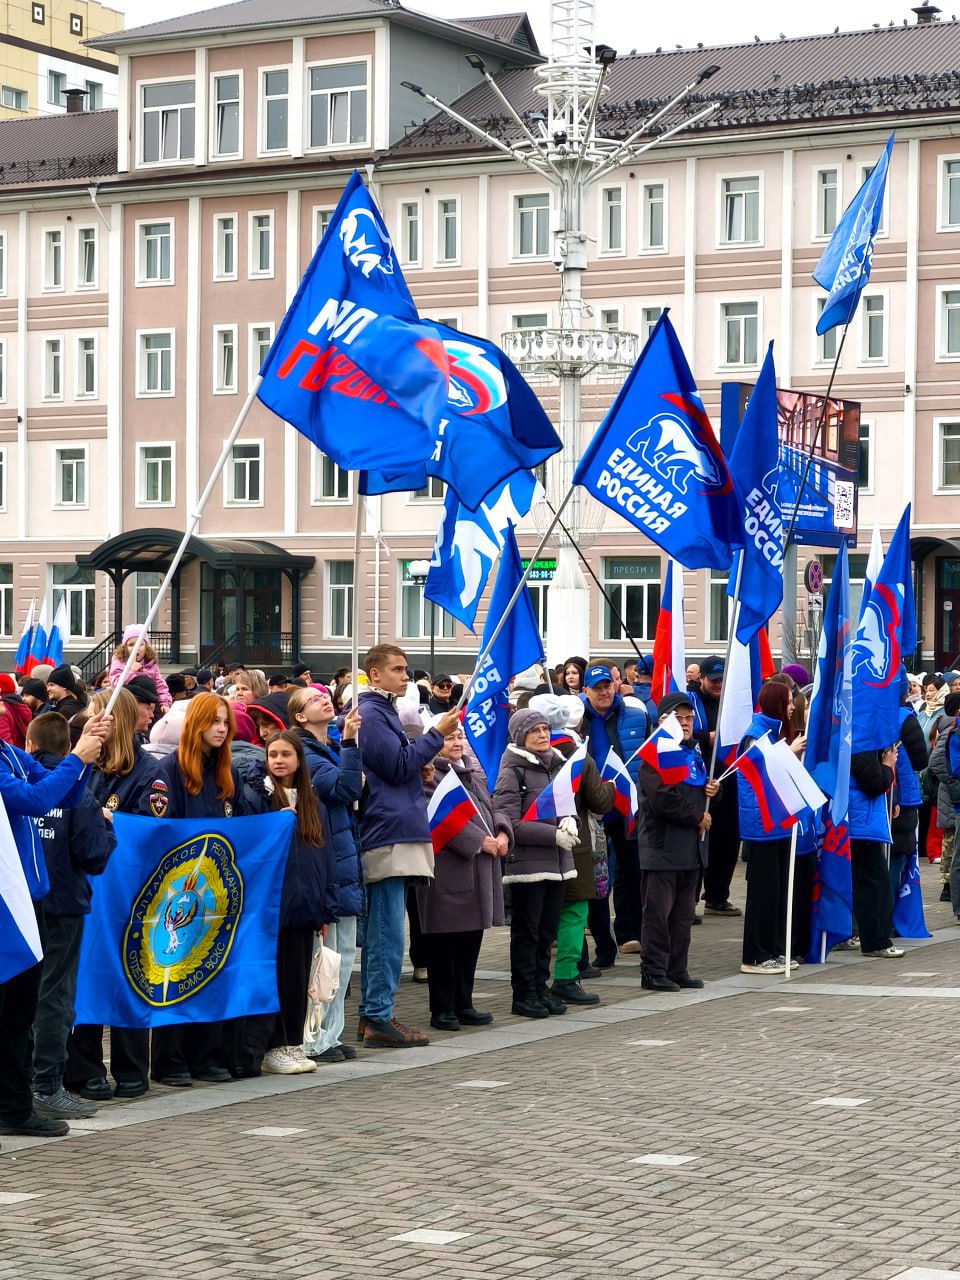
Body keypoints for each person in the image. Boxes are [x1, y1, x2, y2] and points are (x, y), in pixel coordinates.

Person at [0, 705, 109, 1139]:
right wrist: (78, 757)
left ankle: (13, 1103)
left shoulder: (9, 753)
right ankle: (13, 1104)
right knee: (11, 1011)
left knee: (20, 1011)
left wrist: (82, 751)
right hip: (7, 905)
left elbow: (58, 793)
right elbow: (31, 800)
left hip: (29, 901)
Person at [140, 693, 256, 1085]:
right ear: (196, 726)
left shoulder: (230, 775)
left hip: (216, 893)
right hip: (177, 893)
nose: (222, 729)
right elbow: (159, 830)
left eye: (226, 722)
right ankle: (170, 1060)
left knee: (212, 970)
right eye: (214, 722)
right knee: (173, 970)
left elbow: (240, 827)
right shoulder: (169, 770)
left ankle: (206, 1055)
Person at [356, 644, 458, 1048]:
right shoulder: (371, 714)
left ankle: (375, 1014)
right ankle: (378, 1015)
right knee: (386, 932)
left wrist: (421, 760)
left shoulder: (385, 712)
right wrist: (436, 736)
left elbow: (398, 765)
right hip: (387, 830)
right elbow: (396, 766)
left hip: (398, 826)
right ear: (374, 674)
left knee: (389, 930)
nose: (405, 676)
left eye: (405, 669)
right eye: (396, 669)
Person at [65, 688, 159, 1103]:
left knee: (127, 973)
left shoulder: (149, 771)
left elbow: (152, 833)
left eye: (98, 713)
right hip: (84, 889)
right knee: (82, 977)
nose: (90, 720)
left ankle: (131, 1068)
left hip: (127, 894)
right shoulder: (83, 765)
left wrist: (109, 819)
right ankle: (83, 1069)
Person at [29, 712, 115, 1121]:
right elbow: (94, 857)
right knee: (55, 998)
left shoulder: (21, 785)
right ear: (69, 749)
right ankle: (45, 1084)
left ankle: (22, 1080)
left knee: (20, 996)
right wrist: (107, 829)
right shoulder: (78, 795)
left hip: (23, 907)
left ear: (29, 745)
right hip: (63, 908)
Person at [239, 730, 337, 1075]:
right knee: (276, 975)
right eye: (273, 755)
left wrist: (324, 906)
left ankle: (293, 1042)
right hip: (273, 905)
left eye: (286, 755)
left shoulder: (313, 800)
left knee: (297, 977)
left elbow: (323, 856)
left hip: (305, 904)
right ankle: (274, 1044)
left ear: (299, 760)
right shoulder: (258, 797)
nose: (279, 761)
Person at [417, 718, 508, 1030]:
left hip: (479, 869)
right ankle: (442, 1008)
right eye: (448, 738)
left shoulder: (471, 773)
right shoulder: (429, 775)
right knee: (445, 942)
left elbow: (493, 806)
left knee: (470, 937)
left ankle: (463, 1002)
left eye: (459, 737)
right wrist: (478, 841)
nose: (456, 743)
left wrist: (501, 831)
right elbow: (437, 818)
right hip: (447, 871)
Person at [290, 685, 363, 1064]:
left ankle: (330, 1035)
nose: (323, 699)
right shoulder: (307, 753)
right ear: (300, 716)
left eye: (323, 696)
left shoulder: (327, 749)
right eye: (312, 699)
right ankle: (314, 1037)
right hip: (328, 866)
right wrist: (351, 745)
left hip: (343, 860)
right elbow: (343, 788)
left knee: (342, 958)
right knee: (326, 958)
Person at [493, 708, 580, 1019]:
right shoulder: (511, 772)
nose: (543, 735)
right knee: (527, 933)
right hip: (527, 866)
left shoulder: (556, 765)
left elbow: (564, 803)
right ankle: (524, 993)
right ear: (520, 737)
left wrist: (570, 820)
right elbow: (509, 823)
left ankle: (541, 989)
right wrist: (553, 835)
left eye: (545, 729)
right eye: (535, 731)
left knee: (546, 932)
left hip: (557, 863)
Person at [637, 691, 718, 991]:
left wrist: (707, 792)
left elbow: (690, 792)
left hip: (690, 849)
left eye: (688, 717)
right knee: (659, 914)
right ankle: (654, 970)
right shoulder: (654, 753)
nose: (685, 723)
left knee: (683, 916)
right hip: (663, 847)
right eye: (679, 717)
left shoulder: (692, 752)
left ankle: (677, 968)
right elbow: (661, 799)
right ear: (663, 720)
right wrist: (696, 817)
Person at [578, 664, 649, 957]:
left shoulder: (637, 714)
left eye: (607, 685)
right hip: (592, 810)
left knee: (632, 872)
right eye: (597, 688)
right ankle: (603, 944)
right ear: (585, 692)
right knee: (595, 879)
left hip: (626, 806)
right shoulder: (576, 719)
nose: (604, 692)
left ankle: (629, 933)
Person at [738, 682, 806, 975]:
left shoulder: (775, 731)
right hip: (762, 826)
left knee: (778, 892)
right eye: (789, 701)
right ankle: (755, 955)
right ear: (777, 703)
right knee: (763, 895)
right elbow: (759, 777)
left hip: (779, 823)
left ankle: (775, 949)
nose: (792, 707)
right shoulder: (755, 735)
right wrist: (788, 753)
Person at [848, 736, 903, 959]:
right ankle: (876, 941)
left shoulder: (860, 742)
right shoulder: (861, 745)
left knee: (870, 881)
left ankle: (874, 939)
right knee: (874, 882)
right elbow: (874, 784)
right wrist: (888, 766)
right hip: (861, 822)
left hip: (861, 821)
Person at [696, 655, 742, 918]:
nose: (718, 684)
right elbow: (680, 731)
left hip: (730, 776)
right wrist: (707, 737)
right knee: (701, 839)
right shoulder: (691, 701)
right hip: (701, 778)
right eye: (713, 680)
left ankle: (717, 896)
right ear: (701, 678)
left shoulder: (733, 701)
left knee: (728, 838)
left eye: (723, 679)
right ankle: (691, 898)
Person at [108, 626, 171, 710]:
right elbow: (116, 683)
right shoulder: (119, 660)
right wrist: (132, 670)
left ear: (146, 646)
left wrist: (164, 703)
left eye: (140, 644)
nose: (136, 648)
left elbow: (159, 684)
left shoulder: (150, 662)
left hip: (149, 703)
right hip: (127, 704)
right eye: (131, 645)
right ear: (125, 647)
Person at [0, 674, 32, 748]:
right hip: (21, 755)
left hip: (9, 756)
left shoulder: (2, 710)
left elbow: (5, 744)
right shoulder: (20, 706)